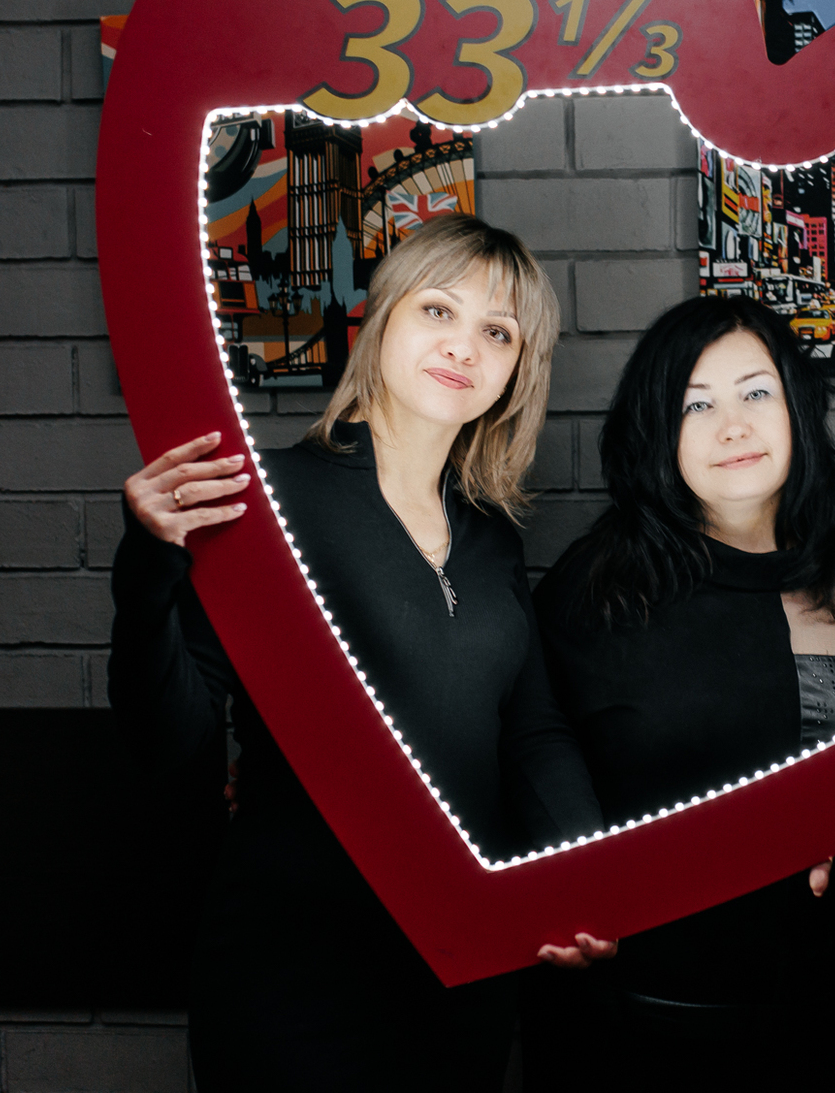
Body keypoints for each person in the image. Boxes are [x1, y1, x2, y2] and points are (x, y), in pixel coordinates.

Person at [108, 216, 614, 1093]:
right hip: (297, 976)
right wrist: (148, 567)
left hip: (461, 970)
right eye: (438, 310)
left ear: (516, 372)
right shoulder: (264, 498)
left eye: (498, 333)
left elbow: (531, 732)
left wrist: (577, 878)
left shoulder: (490, 535)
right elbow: (171, 743)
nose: (464, 346)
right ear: (380, 318)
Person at [526, 296, 835, 1093]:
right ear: (658, 430)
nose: (733, 426)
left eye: (756, 393)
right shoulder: (595, 589)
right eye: (696, 406)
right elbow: (529, 758)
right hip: (627, 1028)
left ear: (796, 407)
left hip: (815, 1027)